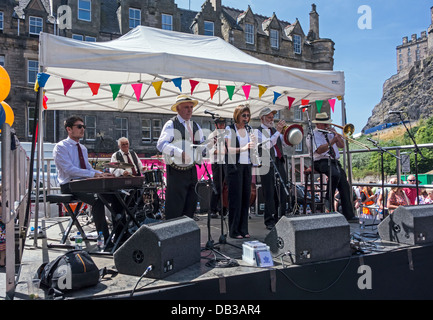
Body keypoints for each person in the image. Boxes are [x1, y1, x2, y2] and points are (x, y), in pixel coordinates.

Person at [53, 115, 123, 246]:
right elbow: (70, 170)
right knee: (97, 201)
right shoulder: (61, 147)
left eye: (83, 127)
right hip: (69, 185)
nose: (83, 129)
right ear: (69, 129)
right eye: (79, 126)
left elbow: (87, 167)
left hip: (84, 184)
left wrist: (101, 174)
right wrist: (93, 174)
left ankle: (120, 235)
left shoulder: (83, 148)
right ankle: (106, 241)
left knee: (116, 195)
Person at [157, 94, 206, 220]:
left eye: (191, 107)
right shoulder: (171, 124)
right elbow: (161, 144)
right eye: (186, 107)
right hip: (176, 171)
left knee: (191, 203)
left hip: (191, 169)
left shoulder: (195, 126)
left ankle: (186, 232)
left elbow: (200, 147)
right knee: (175, 205)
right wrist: (180, 153)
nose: (190, 110)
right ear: (178, 109)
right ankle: (173, 234)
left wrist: (210, 146)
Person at [306, 112, 357, 222]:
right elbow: (319, 150)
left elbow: (341, 145)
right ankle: (328, 205)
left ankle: (349, 215)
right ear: (318, 124)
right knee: (334, 175)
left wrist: (336, 136)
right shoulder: (312, 135)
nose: (327, 126)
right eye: (325, 124)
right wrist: (332, 141)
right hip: (321, 161)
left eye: (327, 124)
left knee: (344, 183)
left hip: (334, 161)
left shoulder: (329, 133)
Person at [225, 105, 255, 239]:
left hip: (247, 166)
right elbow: (229, 149)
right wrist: (244, 148)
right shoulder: (229, 129)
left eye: (248, 116)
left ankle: (243, 229)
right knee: (235, 199)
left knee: (245, 198)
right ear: (237, 115)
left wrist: (254, 145)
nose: (246, 118)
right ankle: (233, 230)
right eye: (244, 116)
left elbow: (252, 148)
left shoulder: (249, 130)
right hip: (234, 167)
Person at [255, 107, 288, 230]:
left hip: (278, 161)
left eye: (272, 117)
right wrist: (278, 132)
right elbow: (267, 145)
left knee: (282, 190)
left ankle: (281, 216)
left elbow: (284, 144)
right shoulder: (257, 131)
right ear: (262, 118)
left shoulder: (275, 130)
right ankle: (269, 220)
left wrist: (286, 134)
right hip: (265, 162)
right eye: (269, 117)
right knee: (269, 192)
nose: (272, 119)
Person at [209, 117, 227, 219]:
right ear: (216, 125)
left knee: (225, 186)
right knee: (217, 186)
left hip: (225, 162)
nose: (222, 126)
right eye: (220, 124)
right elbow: (211, 150)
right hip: (217, 162)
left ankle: (223, 209)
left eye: (223, 124)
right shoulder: (213, 135)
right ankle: (213, 209)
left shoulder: (226, 134)